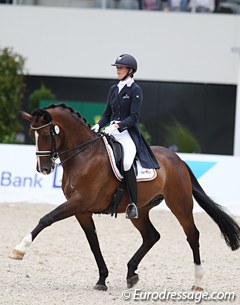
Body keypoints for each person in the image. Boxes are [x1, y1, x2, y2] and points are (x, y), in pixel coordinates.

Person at [91, 54, 160, 219]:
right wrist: (99, 125)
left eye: (121, 67)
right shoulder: (113, 89)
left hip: (127, 133)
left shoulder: (135, 90)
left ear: (130, 70)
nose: (118, 70)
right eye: (117, 67)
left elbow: (133, 117)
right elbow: (107, 113)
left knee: (127, 162)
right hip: (110, 131)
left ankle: (133, 204)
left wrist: (116, 126)